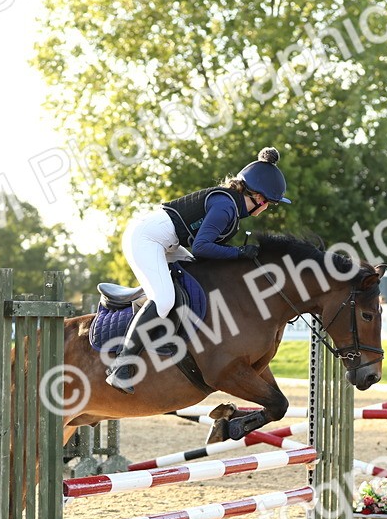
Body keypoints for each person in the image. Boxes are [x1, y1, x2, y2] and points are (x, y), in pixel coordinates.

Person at [105, 146, 290, 393]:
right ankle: (121, 367)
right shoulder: (226, 207)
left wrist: (241, 258)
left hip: (168, 243)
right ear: (256, 197)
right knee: (164, 299)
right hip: (146, 239)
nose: (267, 208)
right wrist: (239, 253)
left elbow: (203, 256)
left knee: (194, 278)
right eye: (268, 203)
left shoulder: (230, 206)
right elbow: (203, 248)